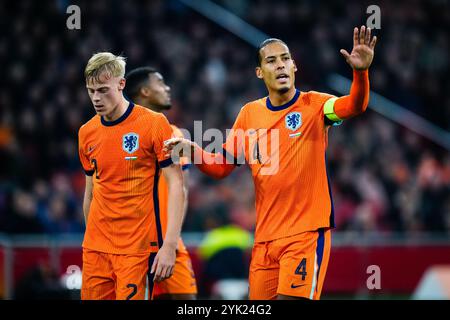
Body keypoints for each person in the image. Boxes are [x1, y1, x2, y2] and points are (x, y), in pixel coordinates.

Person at [165, 26, 377, 300]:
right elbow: (221, 166)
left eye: (285, 58)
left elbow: (354, 105)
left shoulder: (315, 105)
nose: (280, 65)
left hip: (305, 234)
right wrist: (192, 150)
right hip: (265, 240)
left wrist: (361, 73)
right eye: (271, 60)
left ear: (294, 66)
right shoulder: (249, 114)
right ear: (259, 72)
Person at [78, 52, 185, 300]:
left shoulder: (155, 124)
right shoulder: (86, 133)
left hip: (136, 251)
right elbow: (90, 192)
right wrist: (91, 239)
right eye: (91, 90)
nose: (96, 98)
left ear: (121, 84)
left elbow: (177, 183)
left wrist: (168, 246)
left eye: (103, 90)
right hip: (95, 250)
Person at [124, 67, 197, 300]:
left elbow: (181, 188)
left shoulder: (174, 132)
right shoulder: (121, 134)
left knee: (188, 301)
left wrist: (172, 241)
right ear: (145, 91)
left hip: (170, 243)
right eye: (160, 83)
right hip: (133, 246)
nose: (167, 88)